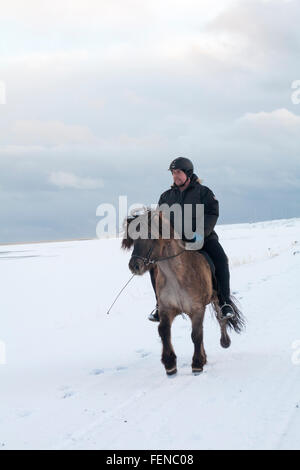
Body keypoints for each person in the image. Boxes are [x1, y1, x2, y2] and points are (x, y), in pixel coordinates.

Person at [149, 156, 236, 322]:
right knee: (155, 265)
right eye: (173, 173)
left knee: (221, 259)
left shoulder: (204, 193)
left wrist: (201, 233)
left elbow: (212, 213)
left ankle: (225, 303)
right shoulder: (166, 197)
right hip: (176, 242)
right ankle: (160, 305)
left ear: (188, 173)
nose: (175, 176)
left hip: (203, 239)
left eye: (178, 172)